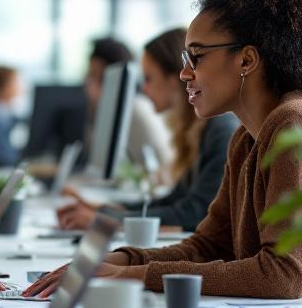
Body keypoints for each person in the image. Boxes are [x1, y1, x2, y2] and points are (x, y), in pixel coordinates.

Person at [26, 0, 302, 300]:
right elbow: (207, 245)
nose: (184, 74)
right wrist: (114, 259)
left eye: (196, 57)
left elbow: (281, 275)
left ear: (246, 60)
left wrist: (130, 275)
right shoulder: (247, 138)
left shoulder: (295, 125)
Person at [56, 28, 237, 232]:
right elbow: (175, 200)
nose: (143, 89)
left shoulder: (221, 130)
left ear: (174, 79)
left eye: (149, 78)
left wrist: (107, 220)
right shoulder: (196, 130)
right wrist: (104, 211)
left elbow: (195, 213)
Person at [84, 36, 173, 168]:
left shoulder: (136, 111)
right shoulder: (101, 113)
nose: (90, 87)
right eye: (89, 77)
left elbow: (165, 169)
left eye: (100, 79)